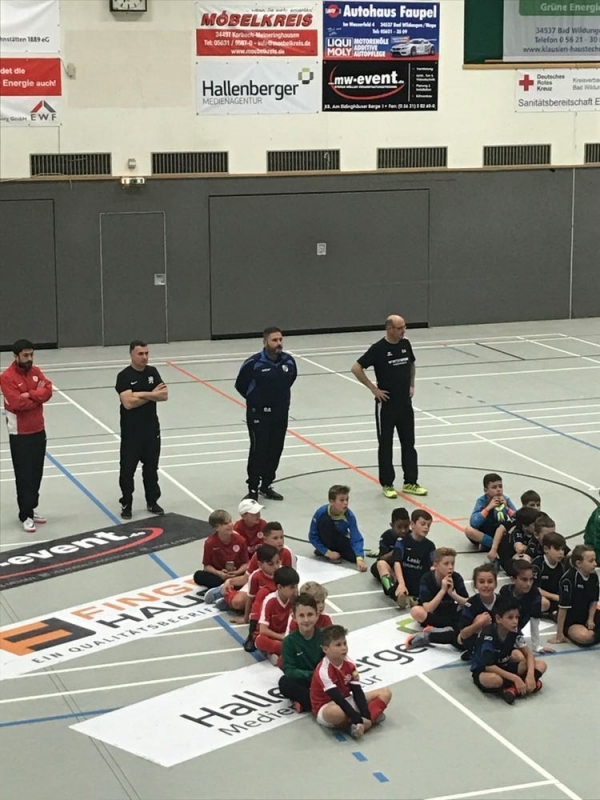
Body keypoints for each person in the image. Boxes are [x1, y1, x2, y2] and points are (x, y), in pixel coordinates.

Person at [351, 315, 427, 499]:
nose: (403, 331)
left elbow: (411, 364)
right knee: (385, 445)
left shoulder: (405, 344)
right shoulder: (378, 349)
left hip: (405, 404)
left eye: (404, 327)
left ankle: (410, 482)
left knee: (409, 443)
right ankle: (387, 483)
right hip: (386, 406)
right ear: (390, 329)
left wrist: (411, 385)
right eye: (400, 328)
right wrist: (373, 389)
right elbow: (356, 368)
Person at [235, 326, 297, 502]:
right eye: (274, 340)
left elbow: (290, 380)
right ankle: (253, 487)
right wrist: (258, 401)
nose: (278, 343)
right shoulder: (253, 363)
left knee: (275, 449)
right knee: (258, 450)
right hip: (259, 415)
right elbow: (241, 385)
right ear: (265, 342)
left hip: (280, 414)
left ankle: (266, 485)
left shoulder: (289, 362)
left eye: (280, 340)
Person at [0, 339, 53, 533]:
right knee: (24, 475)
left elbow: (48, 391)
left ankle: (31, 507)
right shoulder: (7, 377)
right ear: (16, 356)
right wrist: (37, 396)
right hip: (20, 434)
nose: (29, 358)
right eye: (25, 355)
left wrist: (29, 394)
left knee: (36, 472)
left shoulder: (36, 371)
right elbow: (17, 404)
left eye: (31, 355)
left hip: (38, 429)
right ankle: (25, 515)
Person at [115, 340, 168, 519]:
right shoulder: (124, 376)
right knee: (127, 471)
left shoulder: (153, 372)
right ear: (131, 354)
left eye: (146, 353)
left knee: (151, 469)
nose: (144, 357)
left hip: (151, 431)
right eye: (140, 354)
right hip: (131, 434)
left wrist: (140, 393)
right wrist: (151, 394)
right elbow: (128, 403)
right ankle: (126, 503)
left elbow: (164, 395)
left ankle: (152, 501)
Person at [310, 625, 392, 738]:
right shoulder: (323, 671)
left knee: (385, 692)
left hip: (347, 699)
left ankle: (362, 724)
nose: (344, 648)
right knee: (336, 713)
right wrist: (357, 718)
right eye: (338, 645)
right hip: (327, 706)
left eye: (345, 643)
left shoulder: (350, 663)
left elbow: (357, 691)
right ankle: (358, 723)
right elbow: (338, 699)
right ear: (325, 649)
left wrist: (366, 715)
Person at [470, 596, 547, 704]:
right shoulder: (489, 635)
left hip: (504, 666)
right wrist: (515, 678)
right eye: (510, 618)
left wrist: (530, 675)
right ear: (498, 619)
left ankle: (513, 690)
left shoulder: (514, 631)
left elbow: (529, 654)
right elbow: (489, 666)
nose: (515, 621)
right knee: (494, 680)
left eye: (517, 617)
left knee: (541, 664)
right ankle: (517, 686)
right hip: (486, 670)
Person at [405, 547, 469, 650]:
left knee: (467, 611)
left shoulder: (456, 577)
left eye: (452, 563)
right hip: (433, 614)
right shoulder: (426, 578)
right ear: (436, 565)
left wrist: (452, 594)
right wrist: (443, 590)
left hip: (450, 612)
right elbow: (428, 608)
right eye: (446, 564)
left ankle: (440, 629)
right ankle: (443, 628)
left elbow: (467, 603)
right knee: (416, 611)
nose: (450, 567)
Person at [279, 594, 325, 712]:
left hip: (323, 680)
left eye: (310, 614)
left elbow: (332, 663)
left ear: (317, 615)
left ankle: (308, 703)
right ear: (294, 617)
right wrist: (311, 675)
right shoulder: (289, 641)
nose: (306, 620)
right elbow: (289, 670)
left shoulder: (325, 636)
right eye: (301, 615)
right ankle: (318, 701)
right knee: (284, 682)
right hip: (304, 681)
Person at [549, 544, 599, 647]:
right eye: (591, 561)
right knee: (585, 637)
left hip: (587, 614)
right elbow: (563, 608)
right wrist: (559, 634)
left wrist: (590, 619)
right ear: (578, 563)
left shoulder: (593, 576)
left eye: (595, 560)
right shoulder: (568, 579)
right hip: (572, 620)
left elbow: (594, 600)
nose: (595, 564)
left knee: (590, 634)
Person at [309, 485, 367, 571]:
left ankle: (333, 552)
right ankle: (324, 550)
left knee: (353, 557)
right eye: (342, 500)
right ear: (331, 501)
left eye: (347, 499)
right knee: (326, 521)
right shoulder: (321, 513)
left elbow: (356, 537)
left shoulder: (349, 516)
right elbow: (312, 536)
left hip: (338, 539)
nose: (346, 503)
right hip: (325, 537)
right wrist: (327, 552)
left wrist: (359, 558)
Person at [193, 510, 249, 594]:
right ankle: (229, 587)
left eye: (230, 521)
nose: (230, 525)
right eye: (225, 524)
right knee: (198, 575)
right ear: (216, 528)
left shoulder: (240, 540)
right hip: (220, 576)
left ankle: (223, 588)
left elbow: (246, 563)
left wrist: (237, 572)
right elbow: (207, 566)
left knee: (250, 575)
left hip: (236, 574)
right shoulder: (210, 543)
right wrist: (219, 573)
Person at [499, 560, 549, 652]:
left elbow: (535, 620)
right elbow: (499, 619)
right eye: (524, 580)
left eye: (531, 579)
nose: (528, 584)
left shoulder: (534, 594)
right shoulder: (505, 592)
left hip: (516, 630)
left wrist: (536, 646)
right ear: (513, 579)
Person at [254, 566, 299, 663]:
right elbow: (263, 630)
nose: (295, 590)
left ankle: (279, 653)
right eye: (292, 587)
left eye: (296, 586)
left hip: (289, 636)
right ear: (279, 587)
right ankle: (281, 652)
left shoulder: (296, 600)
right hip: (274, 636)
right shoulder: (270, 601)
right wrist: (282, 637)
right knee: (260, 640)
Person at [391, 509, 435, 608]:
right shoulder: (402, 542)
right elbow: (397, 562)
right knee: (394, 588)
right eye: (423, 524)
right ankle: (401, 596)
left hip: (419, 583)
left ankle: (417, 600)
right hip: (405, 580)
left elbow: (432, 566)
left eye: (428, 525)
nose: (426, 527)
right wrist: (401, 583)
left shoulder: (430, 546)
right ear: (412, 524)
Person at [464, 472, 517, 552]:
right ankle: (496, 545)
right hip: (485, 533)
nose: (498, 489)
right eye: (494, 487)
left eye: (500, 486)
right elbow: (474, 523)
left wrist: (507, 508)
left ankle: (488, 546)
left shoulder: (505, 499)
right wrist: (488, 508)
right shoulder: (482, 501)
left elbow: (518, 518)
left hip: (500, 532)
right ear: (486, 490)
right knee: (469, 530)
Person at [457, 564, 499, 659]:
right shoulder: (471, 604)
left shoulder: (502, 602)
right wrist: (478, 624)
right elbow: (463, 634)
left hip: (497, 644)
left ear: (496, 584)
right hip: (476, 641)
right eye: (481, 582)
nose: (486, 585)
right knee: (458, 638)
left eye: (490, 581)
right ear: (475, 585)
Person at [370, 507, 410, 597]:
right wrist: (395, 552)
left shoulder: (411, 536)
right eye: (399, 527)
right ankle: (392, 590)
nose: (403, 530)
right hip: (390, 566)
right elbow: (381, 558)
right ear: (392, 525)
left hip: (404, 568)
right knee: (376, 567)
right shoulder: (386, 536)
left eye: (406, 527)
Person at [532, 531, 567, 617]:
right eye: (557, 549)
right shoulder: (537, 565)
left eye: (563, 549)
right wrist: (555, 597)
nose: (561, 553)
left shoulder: (562, 566)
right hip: (540, 596)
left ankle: (554, 612)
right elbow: (534, 588)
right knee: (544, 603)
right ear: (546, 549)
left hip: (556, 599)